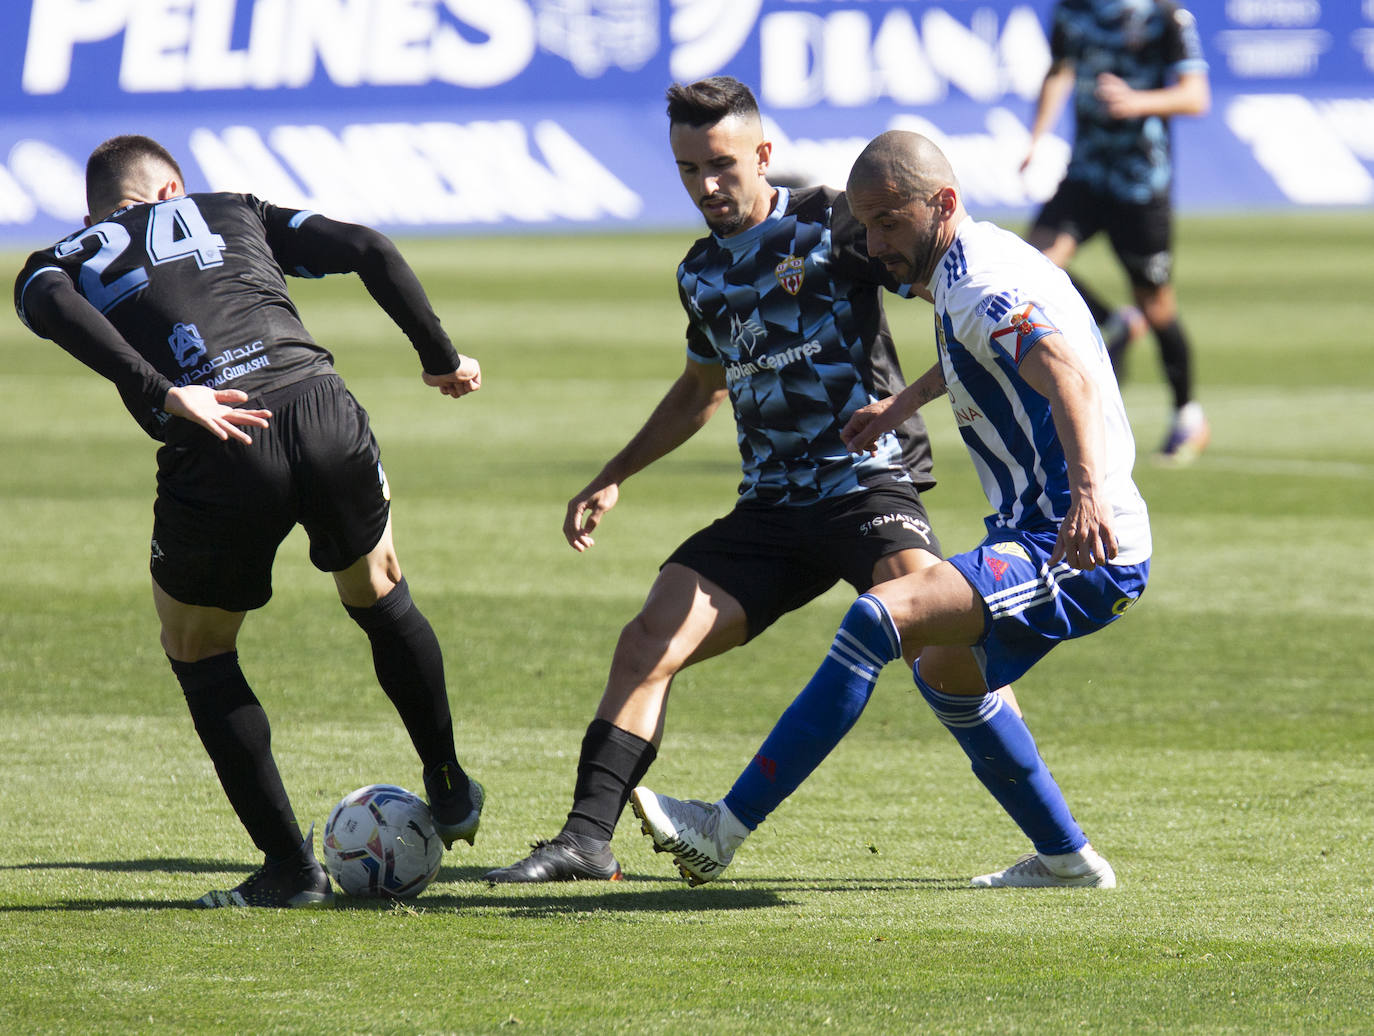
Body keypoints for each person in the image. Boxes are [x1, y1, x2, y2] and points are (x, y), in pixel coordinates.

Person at [484, 77, 997, 884]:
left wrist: (921, 396)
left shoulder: (836, 219)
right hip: (771, 509)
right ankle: (585, 840)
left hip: (866, 485)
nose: (706, 185)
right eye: (688, 169)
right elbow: (701, 390)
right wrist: (614, 474)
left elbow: (956, 288)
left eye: (721, 164)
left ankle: (1056, 841)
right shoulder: (699, 274)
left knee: (946, 650)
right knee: (648, 638)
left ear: (764, 153)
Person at [631, 129, 1151, 889]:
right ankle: (1067, 859)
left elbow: (1066, 375)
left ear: (941, 203)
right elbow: (980, 351)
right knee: (946, 672)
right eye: (865, 226)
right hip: (1042, 530)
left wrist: (1089, 498)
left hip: (1077, 542)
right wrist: (900, 403)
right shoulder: (977, 264)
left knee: (880, 615)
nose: (872, 245)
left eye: (887, 222)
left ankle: (723, 827)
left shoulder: (977, 286)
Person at [14, 135, 485, 908]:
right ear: (173, 191)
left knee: (197, 649)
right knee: (376, 588)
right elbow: (370, 246)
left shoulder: (58, 259)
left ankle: (289, 871)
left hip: (219, 437)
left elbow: (57, 309)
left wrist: (166, 391)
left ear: (97, 208)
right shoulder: (234, 209)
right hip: (321, 407)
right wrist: (439, 354)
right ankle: (449, 782)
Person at [1020, 0, 1211, 464]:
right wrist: (1037, 136)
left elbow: (1195, 96)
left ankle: (1187, 414)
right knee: (1032, 264)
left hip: (1140, 181)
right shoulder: (1071, 10)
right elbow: (1060, 69)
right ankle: (1113, 321)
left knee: (1157, 304)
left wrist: (1137, 100)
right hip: (1086, 173)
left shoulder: (1166, 16)